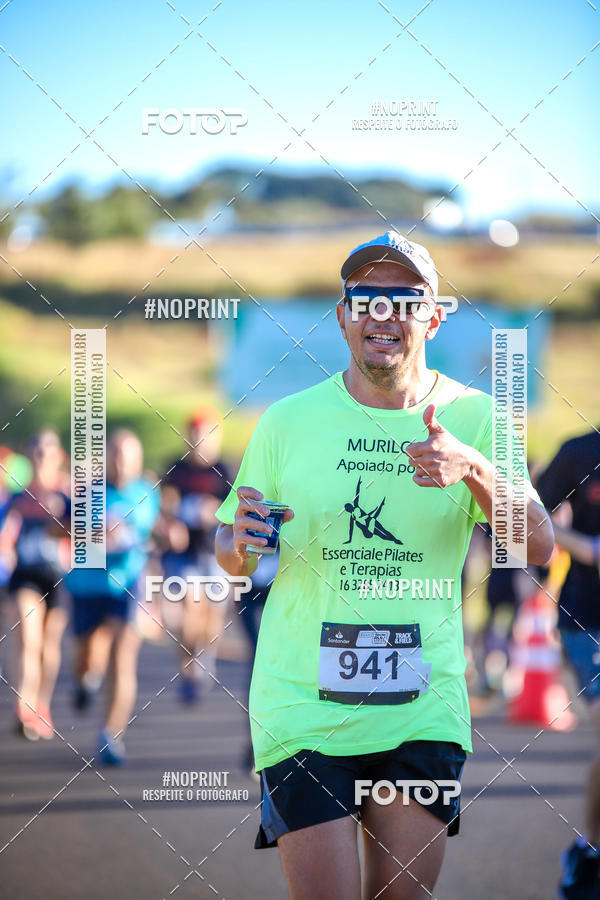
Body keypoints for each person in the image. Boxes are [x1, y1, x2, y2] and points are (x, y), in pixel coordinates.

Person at [215, 231, 554, 899]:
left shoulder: (475, 418)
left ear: (433, 316)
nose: (383, 314)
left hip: (419, 706)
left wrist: (475, 472)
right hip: (301, 703)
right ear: (343, 315)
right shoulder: (286, 421)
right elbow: (231, 555)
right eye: (366, 298)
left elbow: (537, 546)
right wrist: (241, 542)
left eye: (404, 299)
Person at [65, 430, 160, 765]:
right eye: (115, 453)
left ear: (137, 459)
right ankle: (84, 681)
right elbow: (64, 530)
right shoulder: (87, 492)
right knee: (88, 657)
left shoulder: (147, 493)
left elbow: (152, 538)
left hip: (128, 586)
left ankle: (112, 735)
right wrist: (97, 534)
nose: (121, 461)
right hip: (88, 585)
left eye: (127, 454)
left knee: (123, 656)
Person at [536, 430, 600, 899]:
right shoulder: (580, 450)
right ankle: (592, 850)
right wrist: (588, 549)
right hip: (587, 616)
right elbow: (522, 517)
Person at [1, 430, 70, 740]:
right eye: (37, 451)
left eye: (48, 451)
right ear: (29, 458)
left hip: (59, 577)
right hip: (25, 575)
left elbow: (92, 540)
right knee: (27, 638)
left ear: (58, 458)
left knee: (47, 646)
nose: (42, 457)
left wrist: (64, 525)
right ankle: (23, 706)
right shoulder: (16, 498)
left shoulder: (69, 495)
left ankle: (41, 703)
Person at [162, 407, 231, 703]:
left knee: (212, 616)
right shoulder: (176, 469)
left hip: (217, 553)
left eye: (205, 436)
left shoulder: (225, 471)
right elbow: (162, 506)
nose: (199, 442)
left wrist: (214, 514)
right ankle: (189, 670)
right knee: (188, 610)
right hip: (184, 554)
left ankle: (205, 656)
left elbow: (236, 512)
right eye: (194, 436)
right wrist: (170, 524)